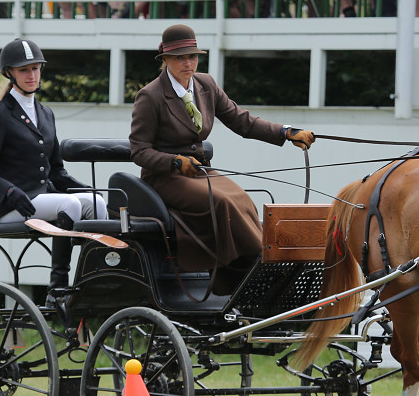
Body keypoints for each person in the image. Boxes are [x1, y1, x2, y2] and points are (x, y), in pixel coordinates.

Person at [129, 24, 315, 294]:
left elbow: (243, 121)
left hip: (199, 172)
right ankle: (256, 264)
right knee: (223, 201)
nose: (187, 63)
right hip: (165, 178)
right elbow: (139, 151)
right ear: (165, 60)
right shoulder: (150, 96)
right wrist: (175, 161)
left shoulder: (206, 84)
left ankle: (253, 265)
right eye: (180, 57)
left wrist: (286, 132)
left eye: (192, 56)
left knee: (240, 196)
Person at [0, 38, 108, 304]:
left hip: (43, 199)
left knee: (97, 202)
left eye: (35, 68)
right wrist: (10, 192)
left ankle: (95, 282)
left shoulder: (46, 114)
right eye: (24, 70)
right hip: (13, 207)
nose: (32, 75)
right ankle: (57, 290)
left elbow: (56, 172)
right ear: (9, 73)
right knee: (69, 204)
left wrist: (87, 190)